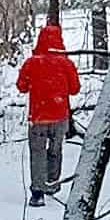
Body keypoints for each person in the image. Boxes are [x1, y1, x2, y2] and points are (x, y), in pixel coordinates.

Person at [16, 24, 81, 207]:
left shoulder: (32, 63)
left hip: (38, 116)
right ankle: (52, 184)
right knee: (55, 150)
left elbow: (21, 86)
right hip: (60, 116)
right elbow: (75, 89)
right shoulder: (66, 63)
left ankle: (38, 193)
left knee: (37, 152)